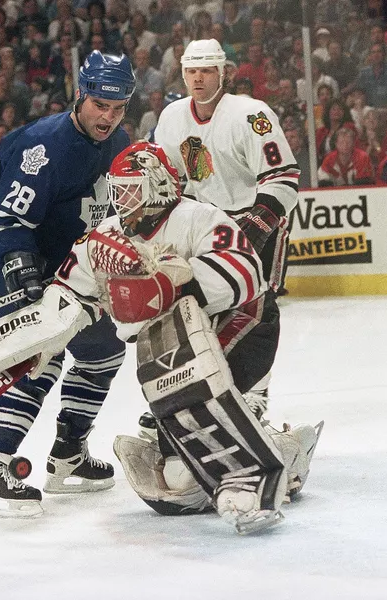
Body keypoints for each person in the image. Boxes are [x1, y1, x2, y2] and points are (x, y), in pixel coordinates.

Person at [0, 142, 321, 533]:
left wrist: (170, 286)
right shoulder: (106, 236)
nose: (121, 199)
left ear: (159, 185)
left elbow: (244, 275)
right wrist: (44, 336)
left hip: (243, 323)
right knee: (178, 481)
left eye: (131, 188)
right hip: (176, 343)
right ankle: (259, 448)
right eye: (117, 189)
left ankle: (272, 466)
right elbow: (71, 293)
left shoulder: (200, 217)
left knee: (208, 415)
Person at [0, 50, 135, 518]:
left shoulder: (118, 139)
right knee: (39, 359)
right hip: (14, 263)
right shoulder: (42, 146)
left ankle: (67, 457)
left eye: (119, 107)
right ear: (81, 95)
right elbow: (8, 222)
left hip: (72, 268)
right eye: (101, 104)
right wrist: (23, 272)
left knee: (104, 351)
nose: (109, 116)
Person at [154, 38, 299, 411]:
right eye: (191, 71)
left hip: (258, 218)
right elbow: (168, 181)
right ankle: (198, 386)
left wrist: (254, 225)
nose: (198, 78)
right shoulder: (172, 118)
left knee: (257, 306)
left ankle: (255, 392)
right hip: (209, 222)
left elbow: (282, 178)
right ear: (182, 74)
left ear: (224, 73)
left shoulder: (252, 114)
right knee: (202, 304)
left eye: (206, 70)